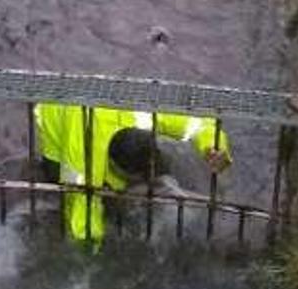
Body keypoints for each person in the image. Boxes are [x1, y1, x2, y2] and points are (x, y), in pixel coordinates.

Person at [34, 103, 231, 242]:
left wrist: (213, 147)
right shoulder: (81, 156)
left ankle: (126, 191)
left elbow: (200, 123)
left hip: (103, 111)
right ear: (110, 164)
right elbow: (80, 214)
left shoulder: (144, 115)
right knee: (73, 189)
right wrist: (90, 254)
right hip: (56, 119)